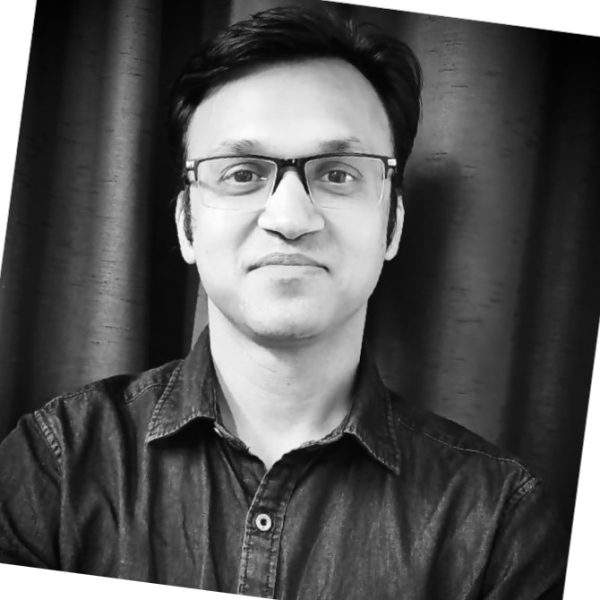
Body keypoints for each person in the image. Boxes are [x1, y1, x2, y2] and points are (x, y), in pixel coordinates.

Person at [0, 6, 567, 599]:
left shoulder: (499, 522)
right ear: (187, 225)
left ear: (393, 225)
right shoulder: (55, 468)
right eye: (241, 173)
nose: (291, 218)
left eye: (339, 174)